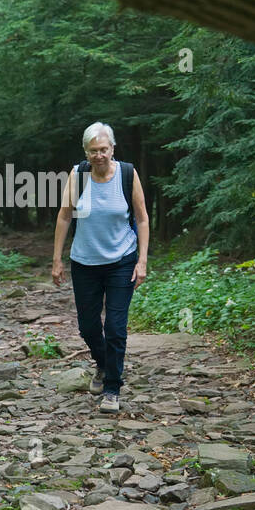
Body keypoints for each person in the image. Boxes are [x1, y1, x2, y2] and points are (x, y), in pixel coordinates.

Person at [52, 123, 148, 413]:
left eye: (103, 149)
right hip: (85, 262)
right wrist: (57, 259)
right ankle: (103, 364)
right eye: (93, 151)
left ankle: (112, 388)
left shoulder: (128, 174)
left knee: (116, 327)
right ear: (86, 152)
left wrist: (142, 260)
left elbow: (142, 219)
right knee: (89, 326)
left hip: (122, 260)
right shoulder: (78, 175)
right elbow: (64, 216)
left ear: (112, 149)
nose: (99, 155)